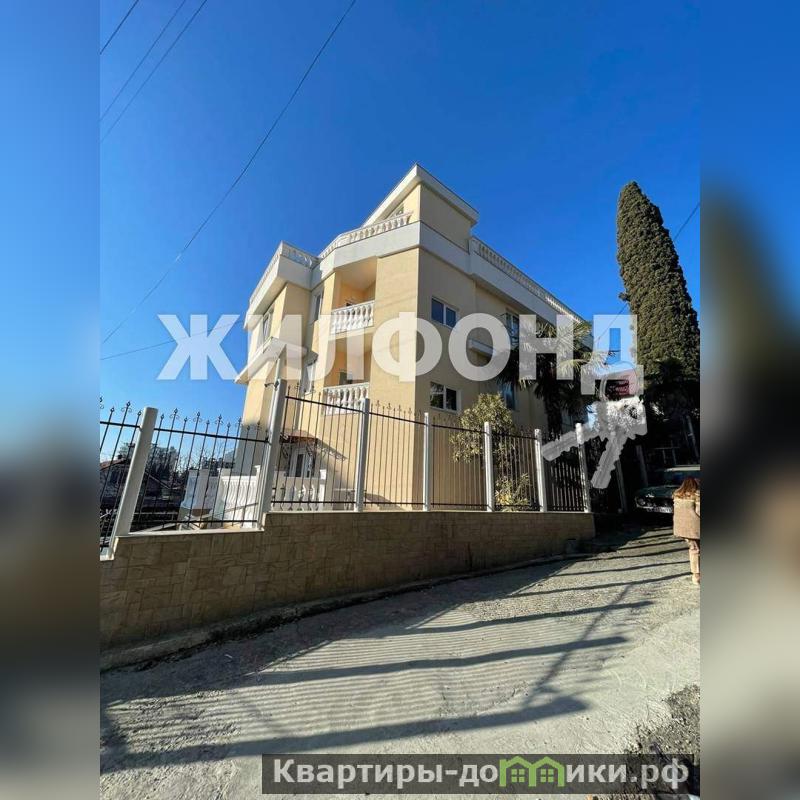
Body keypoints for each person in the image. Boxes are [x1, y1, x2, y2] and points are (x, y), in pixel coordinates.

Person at [673, 477, 700, 585]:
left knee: (693, 548)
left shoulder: (677, 496)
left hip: (682, 528)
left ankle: (696, 574)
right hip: (695, 528)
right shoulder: (696, 495)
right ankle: (696, 576)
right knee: (695, 550)